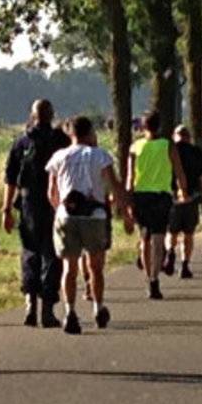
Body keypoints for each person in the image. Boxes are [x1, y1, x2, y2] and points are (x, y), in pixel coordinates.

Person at [45, 116, 132, 334]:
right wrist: (126, 212)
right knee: (96, 266)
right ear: (90, 132)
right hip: (95, 216)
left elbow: (51, 193)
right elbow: (115, 186)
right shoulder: (100, 155)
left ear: (70, 133)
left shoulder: (59, 157)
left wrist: (60, 211)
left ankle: (70, 312)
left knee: (69, 268)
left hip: (67, 216)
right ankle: (97, 307)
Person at [2, 100, 72, 328]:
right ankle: (47, 309)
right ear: (52, 116)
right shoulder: (61, 141)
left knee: (30, 252)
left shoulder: (21, 142)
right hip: (54, 202)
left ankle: (29, 302)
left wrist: (6, 209)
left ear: (32, 116)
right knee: (52, 254)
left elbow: (10, 179)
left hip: (28, 203)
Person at [127, 111, 189, 300]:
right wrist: (183, 190)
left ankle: (148, 276)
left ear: (143, 127)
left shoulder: (135, 147)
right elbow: (179, 171)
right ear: (159, 126)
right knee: (158, 238)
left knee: (144, 237)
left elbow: (130, 178)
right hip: (161, 196)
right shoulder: (167, 145)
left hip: (141, 195)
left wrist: (128, 200)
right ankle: (154, 277)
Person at [165, 125, 202, 279]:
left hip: (172, 197)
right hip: (191, 198)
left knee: (171, 232)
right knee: (188, 233)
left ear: (175, 136)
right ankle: (185, 264)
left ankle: (170, 252)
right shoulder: (196, 152)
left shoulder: (169, 151)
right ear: (189, 136)